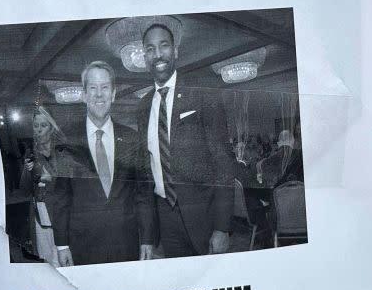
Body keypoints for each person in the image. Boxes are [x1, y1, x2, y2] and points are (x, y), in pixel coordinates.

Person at [138, 23, 236, 258]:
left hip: (204, 216)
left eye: (164, 46)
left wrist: (222, 228)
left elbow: (224, 163)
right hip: (165, 218)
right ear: (144, 57)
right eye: (150, 49)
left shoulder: (202, 91)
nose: (158, 54)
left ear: (176, 51)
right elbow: (146, 173)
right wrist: (148, 237)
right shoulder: (142, 107)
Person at [53, 61, 155, 266]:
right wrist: (62, 245)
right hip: (83, 246)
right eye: (92, 88)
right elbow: (61, 197)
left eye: (105, 87)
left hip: (126, 243)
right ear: (84, 95)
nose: (99, 94)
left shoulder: (132, 138)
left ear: (114, 94)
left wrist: (147, 239)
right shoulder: (66, 140)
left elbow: (143, 194)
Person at [18, 106, 64, 267]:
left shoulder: (61, 151)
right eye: (36, 126)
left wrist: (49, 178)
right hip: (40, 213)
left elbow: (71, 184)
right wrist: (26, 170)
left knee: (64, 254)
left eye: (43, 126)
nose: (39, 130)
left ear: (51, 128)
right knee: (46, 257)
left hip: (60, 210)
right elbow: (24, 190)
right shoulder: (31, 153)